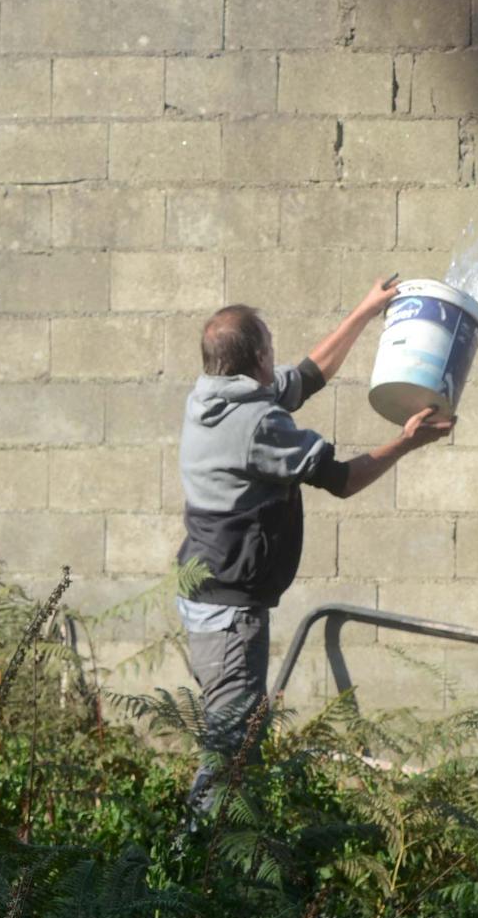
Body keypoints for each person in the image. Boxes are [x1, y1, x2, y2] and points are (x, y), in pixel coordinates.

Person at [177, 277, 451, 808]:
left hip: (205, 594)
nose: (276, 359)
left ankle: (210, 866)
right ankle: (197, 872)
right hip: (230, 616)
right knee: (231, 758)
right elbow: (343, 480)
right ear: (257, 358)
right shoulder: (260, 424)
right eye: (270, 350)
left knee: (230, 746)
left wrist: (365, 311)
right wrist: (406, 442)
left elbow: (307, 376)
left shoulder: (211, 392)